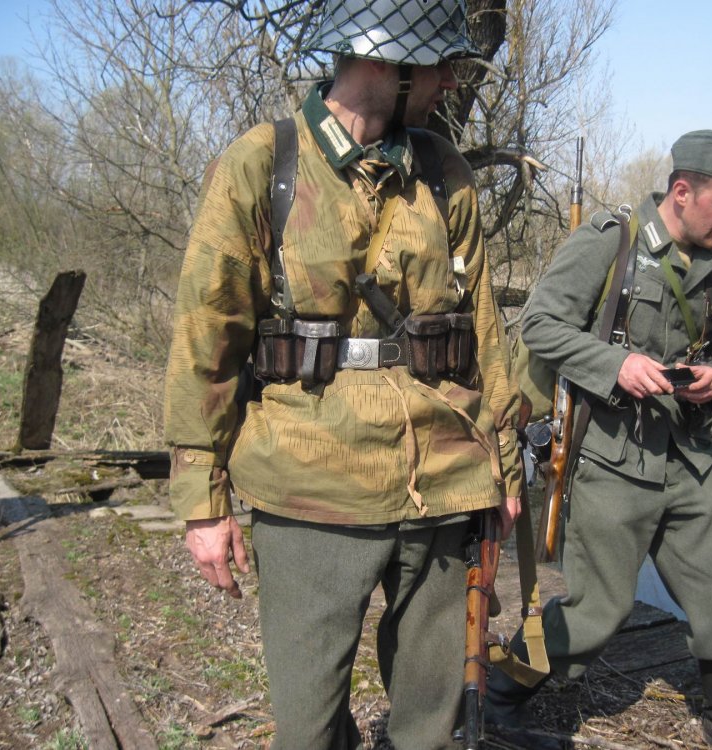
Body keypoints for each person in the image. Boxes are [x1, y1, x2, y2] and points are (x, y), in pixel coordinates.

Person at [162, 2, 523, 748]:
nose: (449, 82)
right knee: (307, 725)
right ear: (386, 63)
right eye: (437, 65)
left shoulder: (443, 172)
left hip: (443, 478)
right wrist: (202, 502)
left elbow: (484, 330)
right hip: (308, 483)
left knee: (433, 716)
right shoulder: (264, 164)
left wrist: (507, 469)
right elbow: (207, 335)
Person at [486, 130, 712, 750]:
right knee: (597, 612)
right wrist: (615, 366)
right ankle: (500, 694)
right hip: (611, 457)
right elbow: (540, 325)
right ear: (682, 191)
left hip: (688, 458)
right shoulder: (610, 241)